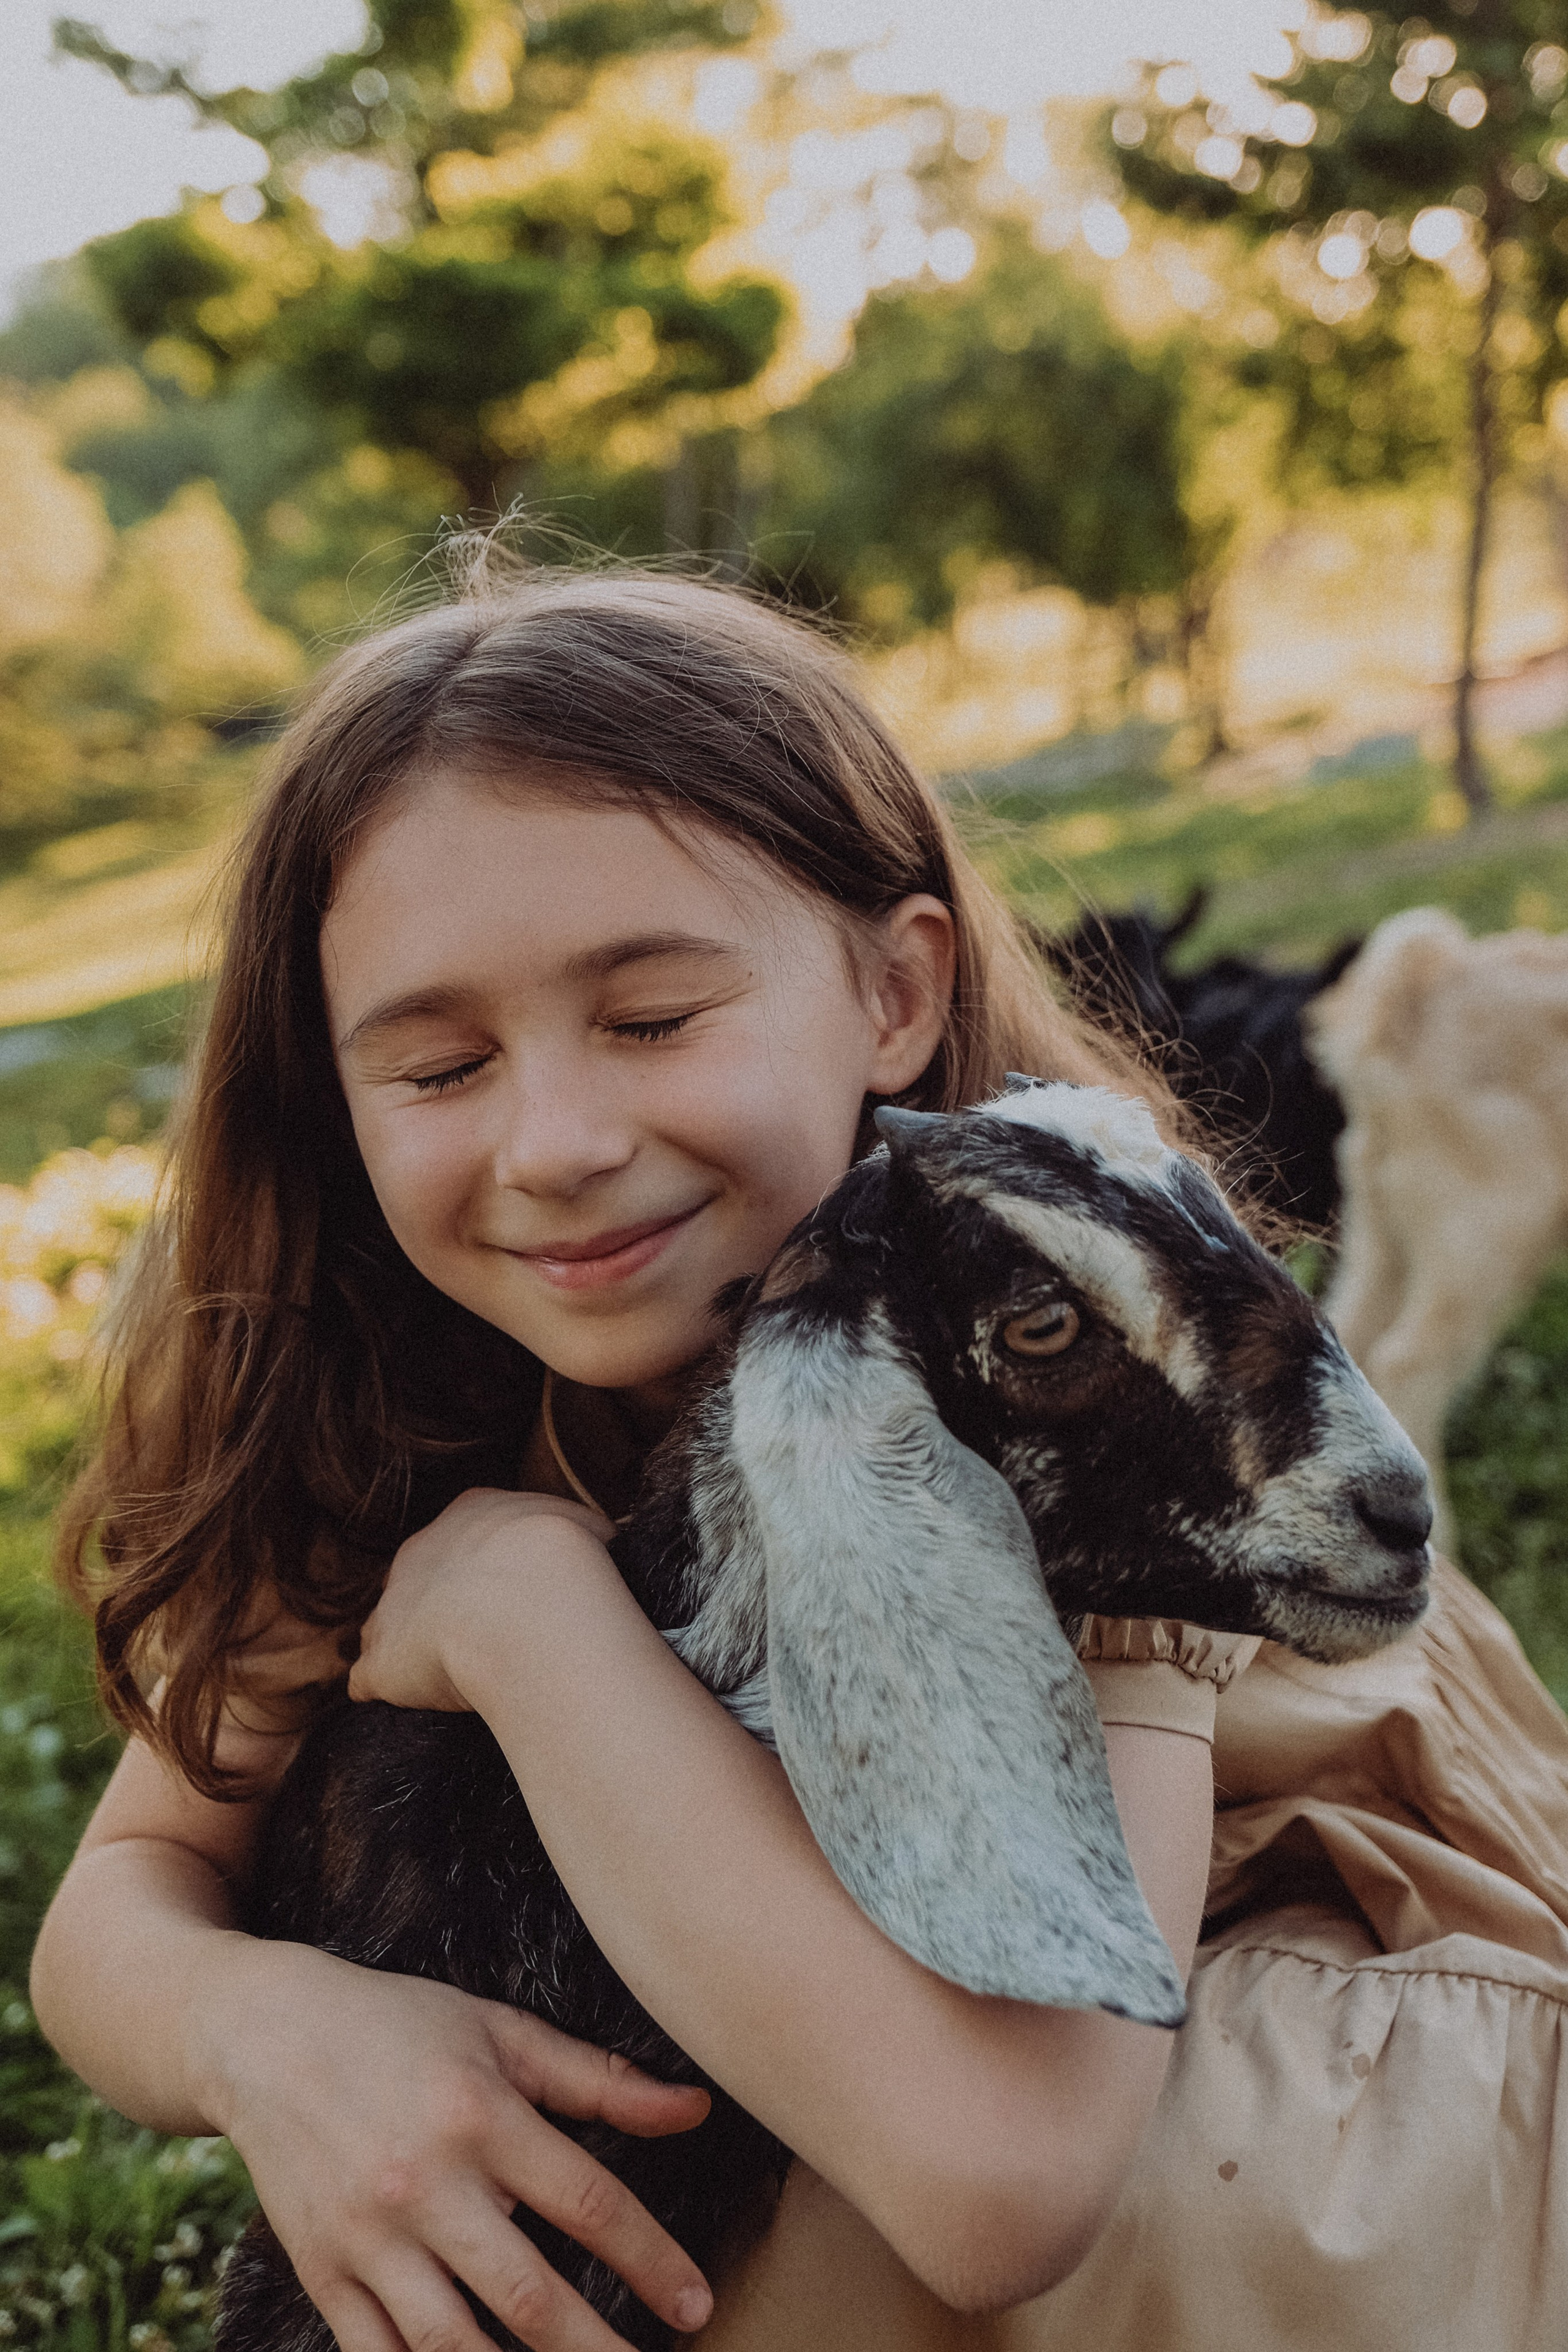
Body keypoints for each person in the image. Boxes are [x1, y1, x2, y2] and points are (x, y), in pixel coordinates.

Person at [29, 569, 1568, 2352]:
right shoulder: (384, 1395)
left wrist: (529, 1620)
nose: (559, 1143)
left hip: (1329, 2122)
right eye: (441, 1065)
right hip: (951, 2111)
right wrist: (270, 2037)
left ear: (894, 991)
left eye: (655, 1018)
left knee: (820, 2146)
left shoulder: (1067, 1379)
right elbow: (119, 1909)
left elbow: (1002, 2176)